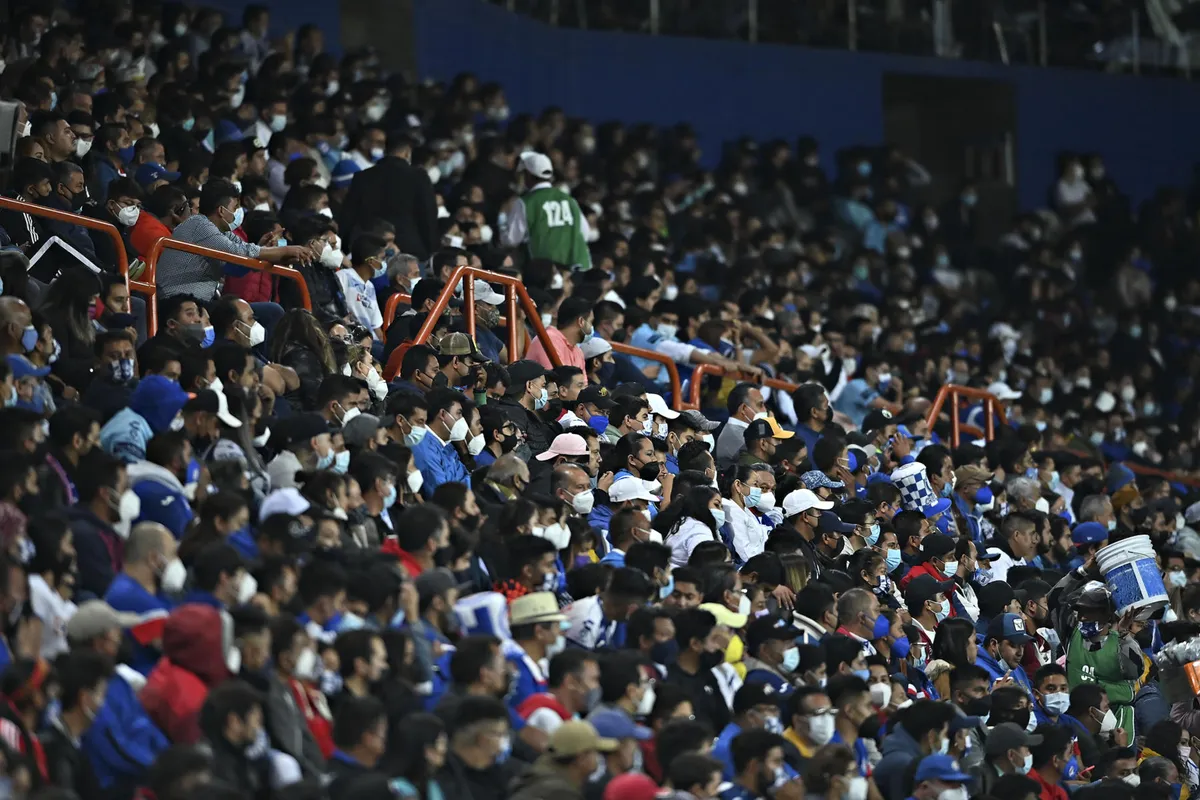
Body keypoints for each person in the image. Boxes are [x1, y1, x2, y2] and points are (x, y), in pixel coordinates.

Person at [338, 133, 438, 258]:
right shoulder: (418, 177)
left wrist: (345, 249)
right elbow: (427, 217)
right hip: (410, 250)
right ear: (407, 152)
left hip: (370, 250)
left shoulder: (362, 177)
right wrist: (432, 251)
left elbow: (348, 217)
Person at [500, 151, 591, 270]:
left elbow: (510, 240)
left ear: (528, 175)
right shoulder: (569, 200)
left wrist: (502, 216)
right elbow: (585, 234)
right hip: (578, 269)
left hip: (546, 273)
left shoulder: (525, 202)